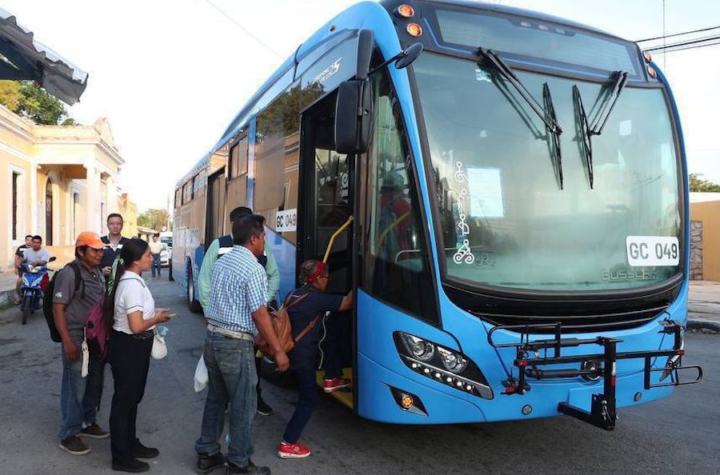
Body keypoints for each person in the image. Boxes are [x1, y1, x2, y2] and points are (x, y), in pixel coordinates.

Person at [195, 214, 289, 475]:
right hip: (235, 345)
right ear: (254, 238)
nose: (264, 243)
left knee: (216, 399)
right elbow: (259, 313)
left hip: (213, 338)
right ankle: (239, 463)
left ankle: (207, 453)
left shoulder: (223, 262)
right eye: (263, 238)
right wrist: (278, 350)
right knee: (244, 405)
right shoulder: (253, 268)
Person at [198, 206, 279, 416]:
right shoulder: (220, 246)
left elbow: (274, 276)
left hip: (247, 328)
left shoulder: (261, 250)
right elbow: (205, 281)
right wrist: (208, 310)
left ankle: (255, 397)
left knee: (254, 365)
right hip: (231, 327)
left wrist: (262, 300)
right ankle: (238, 441)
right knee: (233, 385)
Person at [105, 238, 172, 473]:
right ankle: (121, 456)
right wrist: (157, 319)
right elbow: (135, 325)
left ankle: (130, 444)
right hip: (129, 346)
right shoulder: (132, 284)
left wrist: (153, 312)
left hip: (133, 346)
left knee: (132, 398)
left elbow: (137, 315)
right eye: (147, 256)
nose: (151, 258)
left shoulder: (134, 280)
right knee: (125, 401)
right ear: (135, 260)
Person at [277, 260, 352, 459]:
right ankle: (288, 443)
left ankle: (332, 377)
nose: (328, 281)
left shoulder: (292, 294)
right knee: (308, 399)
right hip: (303, 358)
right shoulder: (317, 299)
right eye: (327, 277)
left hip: (290, 353)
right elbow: (348, 303)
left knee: (332, 334)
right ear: (317, 279)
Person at [52, 232, 109, 455]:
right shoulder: (70, 273)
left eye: (101, 250)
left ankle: (87, 421)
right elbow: (58, 309)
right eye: (95, 250)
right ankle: (68, 433)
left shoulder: (97, 273)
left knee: (94, 382)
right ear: (81, 251)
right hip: (76, 337)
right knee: (75, 386)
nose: (100, 254)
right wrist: (67, 342)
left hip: (96, 338)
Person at [14, 234, 33, 304]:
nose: (29, 241)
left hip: (32, 269)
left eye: (31, 240)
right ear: (25, 240)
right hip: (22, 269)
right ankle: (18, 296)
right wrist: (15, 267)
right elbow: (16, 258)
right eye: (28, 240)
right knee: (19, 281)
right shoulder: (20, 248)